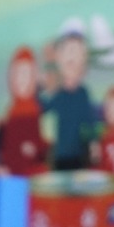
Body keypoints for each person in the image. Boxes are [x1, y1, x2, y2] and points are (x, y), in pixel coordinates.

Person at [39, 25, 99, 171]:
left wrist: (93, 144)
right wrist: (38, 87)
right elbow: (43, 108)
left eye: (78, 52)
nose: (72, 57)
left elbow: (88, 120)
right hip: (60, 156)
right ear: (58, 58)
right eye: (68, 52)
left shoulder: (83, 94)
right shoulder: (57, 94)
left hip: (80, 156)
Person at [0, 45, 51, 175]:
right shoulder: (10, 110)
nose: (22, 79)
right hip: (13, 172)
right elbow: (8, 145)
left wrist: (35, 147)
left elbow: (45, 142)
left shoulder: (37, 109)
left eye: (26, 74)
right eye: (18, 74)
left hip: (32, 172)